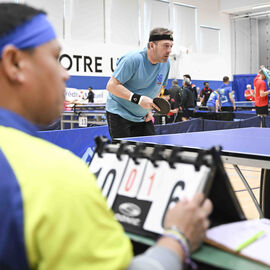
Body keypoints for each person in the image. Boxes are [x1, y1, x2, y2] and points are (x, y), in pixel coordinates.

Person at [0, 3, 213, 270]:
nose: (65, 73)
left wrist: (147, 108)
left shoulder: (165, 67)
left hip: (140, 115)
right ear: (14, 63)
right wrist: (178, 237)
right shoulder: (58, 175)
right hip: (119, 113)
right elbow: (112, 85)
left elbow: (155, 91)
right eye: (55, 58)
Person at [106, 28, 173, 139]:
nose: (169, 50)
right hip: (120, 113)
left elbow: (159, 86)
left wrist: (150, 109)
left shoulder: (166, 64)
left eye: (171, 46)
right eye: (166, 46)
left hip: (143, 116)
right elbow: (111, 86)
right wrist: (139, 99)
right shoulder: (132, 59)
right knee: (125, 155)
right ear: (152, 45)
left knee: (149, 151)